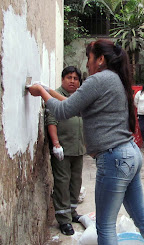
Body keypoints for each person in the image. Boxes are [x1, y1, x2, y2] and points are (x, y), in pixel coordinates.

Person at [28, 39, 144, 245]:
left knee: (105, 225)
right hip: (130, 154)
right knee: (142, 217)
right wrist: (49, 90)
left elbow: (63, 111)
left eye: (89, 58)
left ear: (100, 59)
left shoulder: (98, 80)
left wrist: (41, 93)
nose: (87, 64)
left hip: (114, 158)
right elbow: (75, 106)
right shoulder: (114, 79)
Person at [45, 66, 85, 236]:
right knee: (62, 183)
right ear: (63, 79)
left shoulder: (80, 97)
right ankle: (63, 219)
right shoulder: (55, 95)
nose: (72, 81)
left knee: (75, 182)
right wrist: (56, 144)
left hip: (78, 148)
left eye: (75, 78)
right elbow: (51, 121)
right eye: (69, 77)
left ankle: (72, 212)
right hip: (62, 149)